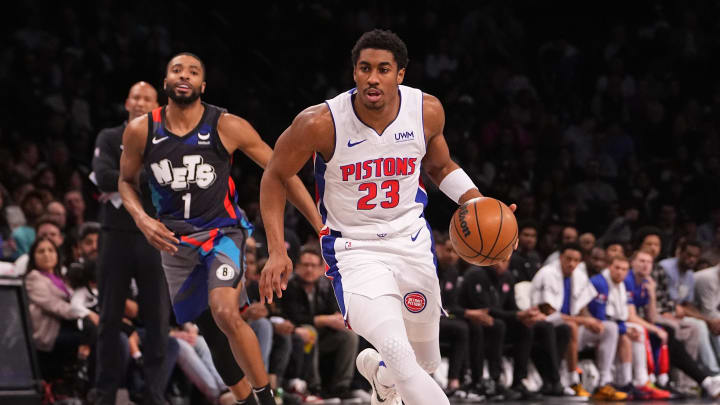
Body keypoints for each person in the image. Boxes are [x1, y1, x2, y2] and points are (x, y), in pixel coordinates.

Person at [258, 29, 515, 405]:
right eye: (364, 68)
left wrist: (477, 203)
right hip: (354, 249)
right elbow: (275, 175)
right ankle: (391, 373)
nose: (372, 78)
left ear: (401, 74)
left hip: (410, 241)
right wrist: (276, 249)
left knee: (424, 362)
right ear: (354, 73)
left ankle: (381, 378)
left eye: (382, 69)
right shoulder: (320, 123)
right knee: (398, 350)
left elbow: (440, 166)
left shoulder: (425, 110)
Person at [119, 52, 322, 405]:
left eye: (193, 71)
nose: (185, 75)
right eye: (177, 70)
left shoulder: (226, 125)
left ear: (203, 85)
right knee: (212, 332)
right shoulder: (141, 130)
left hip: (222, 234)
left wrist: (319, 224)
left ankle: (266, 399)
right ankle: (245, 400)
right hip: (174, 244)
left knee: (226, 311)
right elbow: (124, 182)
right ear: (165, 83)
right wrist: (141, 218)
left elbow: (281, 171)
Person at [91, 81, 172, 405]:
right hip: (116, 235)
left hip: (155, 235)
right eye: (135, 97)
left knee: (157, 319)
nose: (140, 102)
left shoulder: (167, 141)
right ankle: (104, 393)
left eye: (147, 99)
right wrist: (146, 176)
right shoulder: (110, 138)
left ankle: (153, 393)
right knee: (109, 317)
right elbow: (103, 175)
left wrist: (126, 177)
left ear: (157, 107)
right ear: (127, 102)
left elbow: (169, 182)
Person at [531, 243, 626, 400]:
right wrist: (584, 320)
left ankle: (603, 383)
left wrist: (591, 320)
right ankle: (573, 381)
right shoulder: (547, 273)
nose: (572, 264)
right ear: (561, 257)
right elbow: (548, 311)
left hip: (571, 325)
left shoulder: (579, 275)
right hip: (546, 324)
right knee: (571, 326)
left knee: (609, 328)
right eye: (568, 259)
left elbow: (582, 307)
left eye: (576, 260)